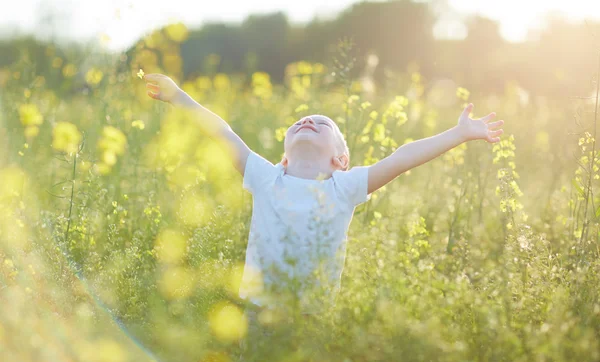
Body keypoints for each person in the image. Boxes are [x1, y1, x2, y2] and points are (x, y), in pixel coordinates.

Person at [143, 72, 504, 331]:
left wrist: (458, 134)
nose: (307, 120)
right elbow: (223, 132)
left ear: (340, 160)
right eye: (300, 121)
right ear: (283, 157)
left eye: (321, 122)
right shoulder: (267, 177)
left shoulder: (343, 187)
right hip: (257, 316)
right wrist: (179, 96)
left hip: (312, 320)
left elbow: (402, 156)